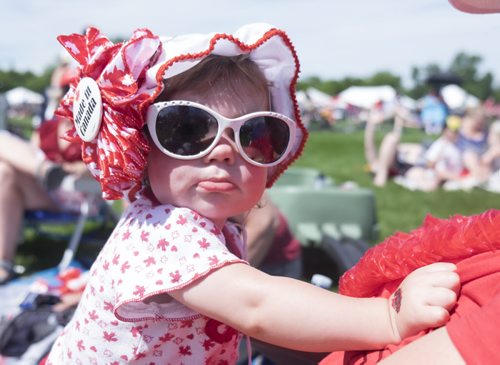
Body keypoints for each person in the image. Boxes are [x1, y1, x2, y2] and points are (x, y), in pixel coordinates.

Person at [44, 24, 459, 364]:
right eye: (187, 129)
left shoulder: (204, 228)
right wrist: (387, 317)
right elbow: (257, 308)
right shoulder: (165, 233)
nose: (224, 150)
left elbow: (251, 326)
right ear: (141, 146)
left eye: (255, 134)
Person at [0, 115, 87, 284]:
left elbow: (103, 165)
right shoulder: (48, 127)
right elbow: (30, 151)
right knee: (3, 169)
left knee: (3, 170)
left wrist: (74, 168)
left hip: (73, 191)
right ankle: (44, 169)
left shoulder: (95, 125)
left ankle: (4, 263)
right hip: (42, 187)